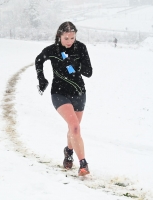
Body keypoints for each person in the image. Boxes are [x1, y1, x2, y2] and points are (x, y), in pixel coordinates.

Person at [35, 21, 93, 176]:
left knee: (72, 129)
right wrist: (41, 78)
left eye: (72, 38)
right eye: (66, 38)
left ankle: (68, 151)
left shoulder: (80, 48)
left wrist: (74, 64)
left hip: (79, 92)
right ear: (59, 36)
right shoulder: (53, 50)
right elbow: (39, 59)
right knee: (74, 127)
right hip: (59, 93)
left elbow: (89, 72)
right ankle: (83, 164)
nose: (69, 41)